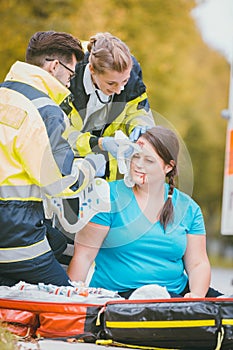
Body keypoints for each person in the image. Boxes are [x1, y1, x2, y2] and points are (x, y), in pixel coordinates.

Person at [67, 126, 223, 298]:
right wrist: (70, 302)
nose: (138, 165)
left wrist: (196, 296)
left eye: (149, 160)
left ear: (168, 167)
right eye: (135, 156)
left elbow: (197, 263)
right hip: (117, 298)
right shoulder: (107, 197)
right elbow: (84, 256)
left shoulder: (189, 208)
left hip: (173, 295)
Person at [0, 31, 105, 287]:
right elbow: (61, 181)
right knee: (68, 307)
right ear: (55, 66)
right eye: (70, 74)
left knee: (62, 245)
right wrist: (93, 166)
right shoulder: (45, 109)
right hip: (17, 232)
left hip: (11, 223)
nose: (70, 82)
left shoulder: (5, 95)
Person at [67, 32, 155, 182]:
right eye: (111, 83)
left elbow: (137, 111)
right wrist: (98, 143)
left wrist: (141, 126)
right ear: (92, 70)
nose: (119, 89)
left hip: (102, 170)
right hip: (63, 163)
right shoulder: (67, 73)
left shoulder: (132, 76)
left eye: (124, 81)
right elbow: (57, 133)